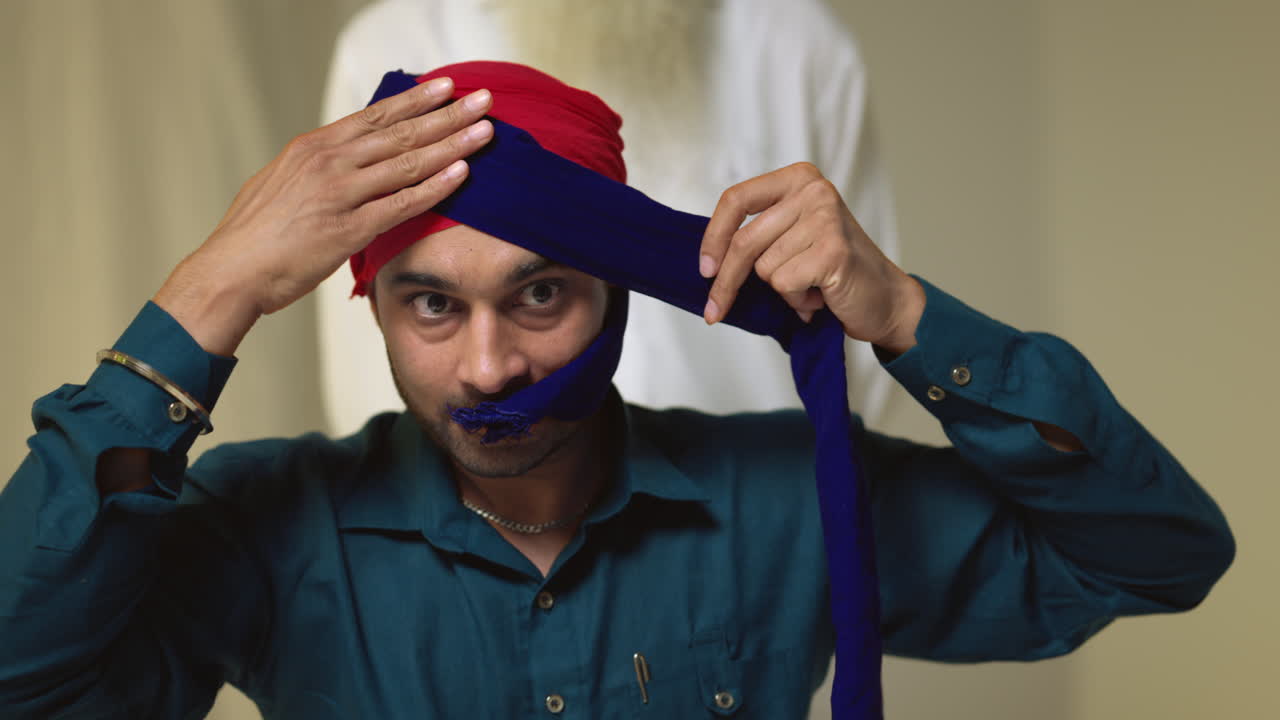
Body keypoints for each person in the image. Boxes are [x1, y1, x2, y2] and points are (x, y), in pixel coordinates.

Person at [0, 63, 1232, 720]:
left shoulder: (789, 499)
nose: (487, 370)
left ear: (619, 296)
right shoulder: (264, 527)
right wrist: (205, 296)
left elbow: (1153, 556)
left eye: (540, 297)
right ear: (368, 306)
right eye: (430, 304)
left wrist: (907, 315)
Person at [315, 0, 901, 438]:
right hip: (465, 533)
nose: (488, 368)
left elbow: (858, 335)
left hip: (757, 533)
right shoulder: (397, 39)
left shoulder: (797, 46)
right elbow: (370, 359)